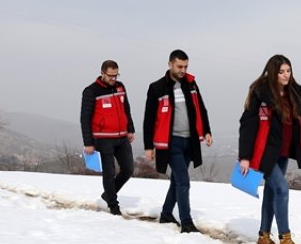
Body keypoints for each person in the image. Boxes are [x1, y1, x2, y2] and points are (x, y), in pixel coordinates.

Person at [238, 55, 301, 244]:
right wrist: (244, 156)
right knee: (282, 188)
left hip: (284, 150)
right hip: (265, 152)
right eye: (281, 72)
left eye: (288, 71)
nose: (286, 75)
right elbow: (247, 124)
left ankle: (263, 237)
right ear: (273, 73)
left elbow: (299, 122)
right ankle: (285, 238)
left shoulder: (292, 93)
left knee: (271, 192)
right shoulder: (260, 94)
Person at [143, 49, 213, 233]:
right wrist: (148, 146)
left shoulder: (191, 84)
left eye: (186, 66)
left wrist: (206, 131)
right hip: (170, 142)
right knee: (183, 180)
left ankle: (166, 213)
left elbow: (201, 108)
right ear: (170, 64)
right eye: (179, 66)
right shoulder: (157, 87)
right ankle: (187, 222)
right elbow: (149, 119)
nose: (183, 70)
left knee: (176, 180)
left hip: (190, 141)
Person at [80, 60, 135, 215]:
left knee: (128, 169)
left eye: (115, 75)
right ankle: (113, 205)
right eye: (110, 76)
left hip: (122, 137)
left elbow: (126, 108)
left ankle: (108, 194)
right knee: (109, 173)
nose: (113, 79)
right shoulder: (91, 91)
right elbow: (85, 118)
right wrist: (88, 143)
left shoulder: (120, 87)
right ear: (102, 73)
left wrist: (130, 129)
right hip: (103, 139)